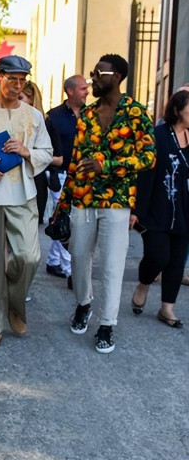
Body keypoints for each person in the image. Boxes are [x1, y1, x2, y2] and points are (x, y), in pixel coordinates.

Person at [57, 54, 156, 353]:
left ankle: (107, 324)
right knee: (78, 258)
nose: (93, 78)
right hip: (83, 198)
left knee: (113, 265)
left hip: (117, 201)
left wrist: (107, 165)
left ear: (118, 77)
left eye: (99, 73)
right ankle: (83, 304)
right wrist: (62, 205)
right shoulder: (87, 116)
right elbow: (75, 161)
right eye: (93, 73)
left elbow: (149, 157)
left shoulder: (136, 112)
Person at [0, 56, 53, 350]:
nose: (18, 85)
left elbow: (47, 152)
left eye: (23, 80)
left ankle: (15, 306)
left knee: (28, 257)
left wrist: (26, 151)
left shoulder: (34, 116)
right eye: (13, 79)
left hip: (23, 194)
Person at [130, 90, 189, 327]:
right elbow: (146, 175)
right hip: (158, 208)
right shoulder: (158, 136)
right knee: (158, 255)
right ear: (177, 110)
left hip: (184, 210)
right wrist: (137, 210)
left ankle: (167, 308)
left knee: (176, 260)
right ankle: (144, 284)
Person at [46, 75, 89, 284]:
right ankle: (70, 270)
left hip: (85, 176)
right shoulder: (53, 117)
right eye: (83, 88)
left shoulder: (92, 115)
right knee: (67, 220)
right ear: (70, 91)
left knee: (64, 220)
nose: (87, 91)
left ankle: (53, 260)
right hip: (61, 175)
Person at [19, 80, 64, 228]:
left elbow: (59, 159)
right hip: (14, 179)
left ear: (31, 99)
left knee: (31, 227)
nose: (16, 101)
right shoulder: (11, 120)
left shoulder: (46, 122)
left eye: (20, 98)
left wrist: (31, 154)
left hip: (36, 179)